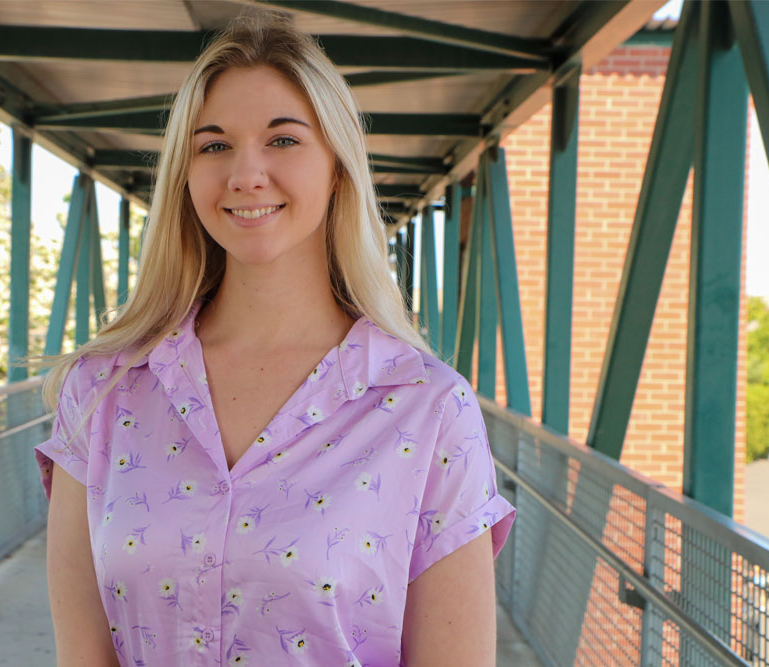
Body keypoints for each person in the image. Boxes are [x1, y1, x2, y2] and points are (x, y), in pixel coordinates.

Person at [34, 12, 515, 666]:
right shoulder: (102, 393)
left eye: (283, 140)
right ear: (185, 174)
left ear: (338, 166)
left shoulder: (429, 411)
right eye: (213, 145)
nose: (246, 173)